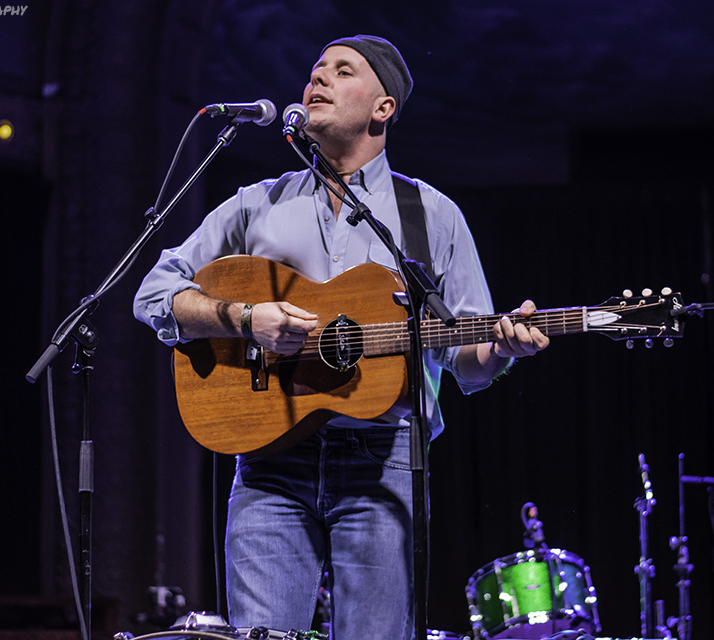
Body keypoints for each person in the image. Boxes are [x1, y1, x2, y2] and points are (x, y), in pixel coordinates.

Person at [133, 34, 549, 639]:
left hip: (385, 464)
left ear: (383, 108)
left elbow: (467, 361)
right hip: (269, 460)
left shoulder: (430, 215)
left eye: (342, 71)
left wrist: (502, 349)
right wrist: (247, 319)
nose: (317, 80)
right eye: (315, 71)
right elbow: (154, 292)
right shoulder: (258, 204)